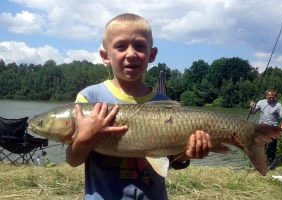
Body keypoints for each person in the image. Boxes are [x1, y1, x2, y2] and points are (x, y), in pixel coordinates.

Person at [66, 13, 212, 200]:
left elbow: (170, 159)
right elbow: (73, 160)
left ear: (152, 55)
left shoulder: (163, 102)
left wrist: (186, 154)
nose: (131, 54)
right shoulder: (89, 98)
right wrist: (85, 138)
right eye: (120, 46)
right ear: (105, 55)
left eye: (140, 46)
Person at [250, 89, 282, 170]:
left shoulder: (278, 105)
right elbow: (253, 112)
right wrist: (252, 107)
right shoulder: (261, 102)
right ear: (266, 96)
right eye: (269, 97)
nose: (271, 99)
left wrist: (281, 129)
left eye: (273, 97)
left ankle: (271, 164)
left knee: (271, 149)